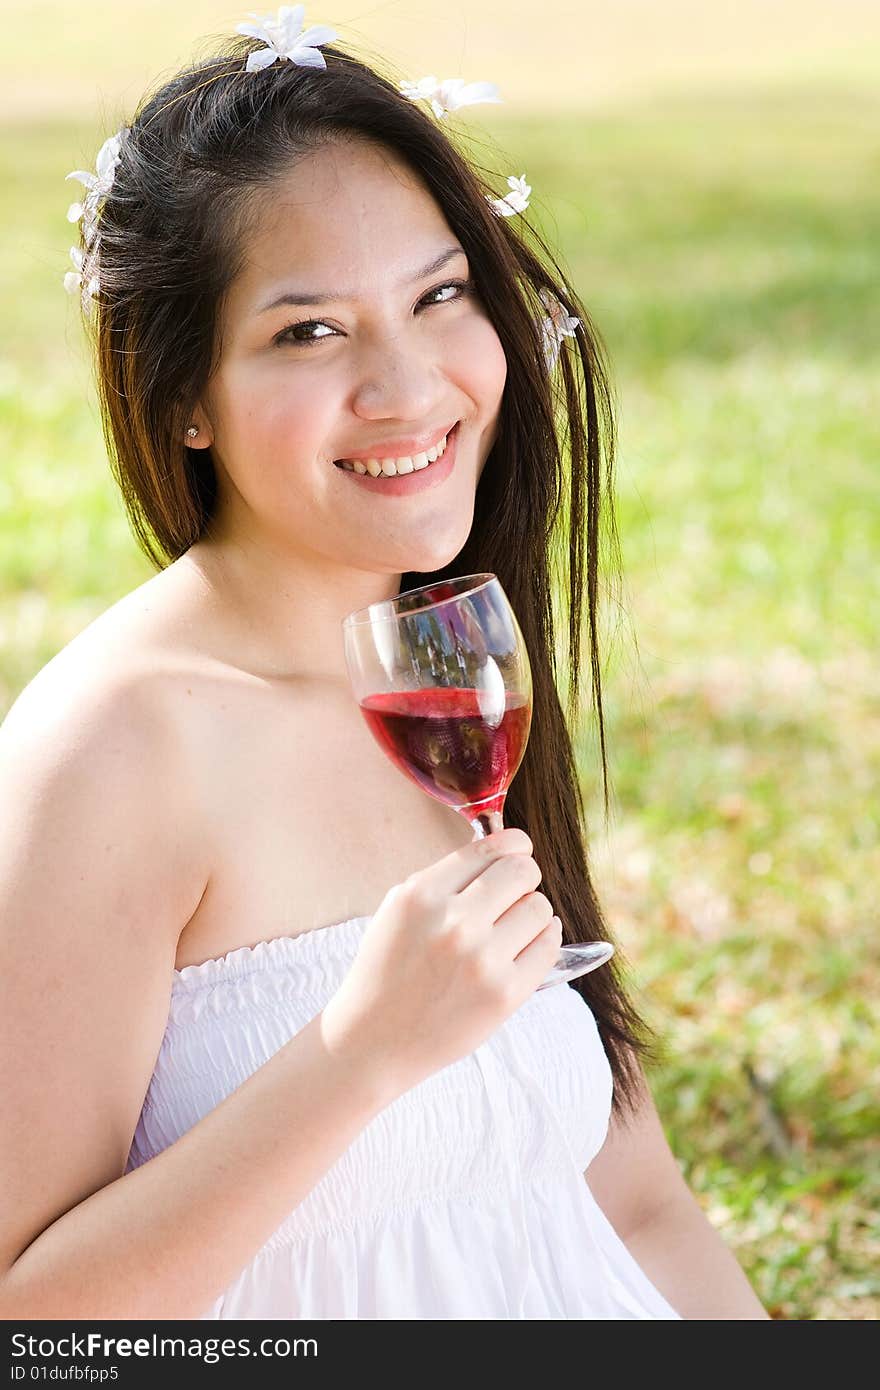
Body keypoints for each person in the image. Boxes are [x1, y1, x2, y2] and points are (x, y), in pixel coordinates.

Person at [0, 10, 770, 1320]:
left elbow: (634, 1201)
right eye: (310, 332)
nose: (408, 385)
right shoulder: (120, 746)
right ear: (183, 395)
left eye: (440, 294)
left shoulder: (454, 674)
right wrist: (356, 1052)